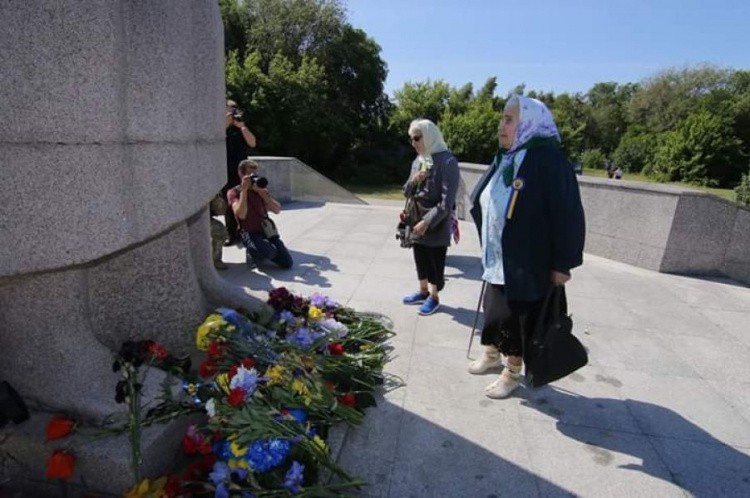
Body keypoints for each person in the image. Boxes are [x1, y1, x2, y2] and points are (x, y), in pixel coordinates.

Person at [467, 95, 585, 399]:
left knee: (517, 319)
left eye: (509, 119)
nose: (500, 125)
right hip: (499, 258)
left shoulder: (548, 159)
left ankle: (512, 370)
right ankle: (492, 356)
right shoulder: (506, 157)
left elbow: (568, 214)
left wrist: (563, 264)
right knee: (494, 312)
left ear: (530, 123)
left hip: (527, 261)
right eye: (502, 118)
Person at [401, 119, 460, 316]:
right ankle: (422, 290)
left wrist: (427, 221)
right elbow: (406, 192)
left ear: (428, 136)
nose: (414, 143)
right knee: (420, 256)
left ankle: (434, 298)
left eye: (417, 138)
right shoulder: (419, 160)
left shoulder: (448, 161)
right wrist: (413, 179)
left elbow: (446, 202)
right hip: (416, 216)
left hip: (435, 221)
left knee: (435, 260)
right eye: (411, 139)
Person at [227, 159, 293, 270]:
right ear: (241, 174)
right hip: (248, 232)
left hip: (265, 230)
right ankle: (253, 251)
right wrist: (244, 191)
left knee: (287, 263)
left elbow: (277, 210)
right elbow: (241, 215)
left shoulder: (261, 190)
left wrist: (263, 194)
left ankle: (259, 250)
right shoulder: (234, 192)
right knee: (269, 252)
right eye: (249, 175)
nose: (253, 178)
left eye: (255, 175)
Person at [224, 99, 257, 246]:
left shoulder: (241, 129)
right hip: (225, 172)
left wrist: (242, 126)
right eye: (229, 111)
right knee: (229, 206)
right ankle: (232, 235)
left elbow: (252, 143)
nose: (232, 114)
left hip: (241, 173)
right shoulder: (220, 129)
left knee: (245, 202)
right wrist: (225, 123)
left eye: (233, 111)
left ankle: (247, 233)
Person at [209, 193, 228, 270]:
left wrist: (215, 196)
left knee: (219, 229)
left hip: (202, 218)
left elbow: (221, 210)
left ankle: (215, 259)